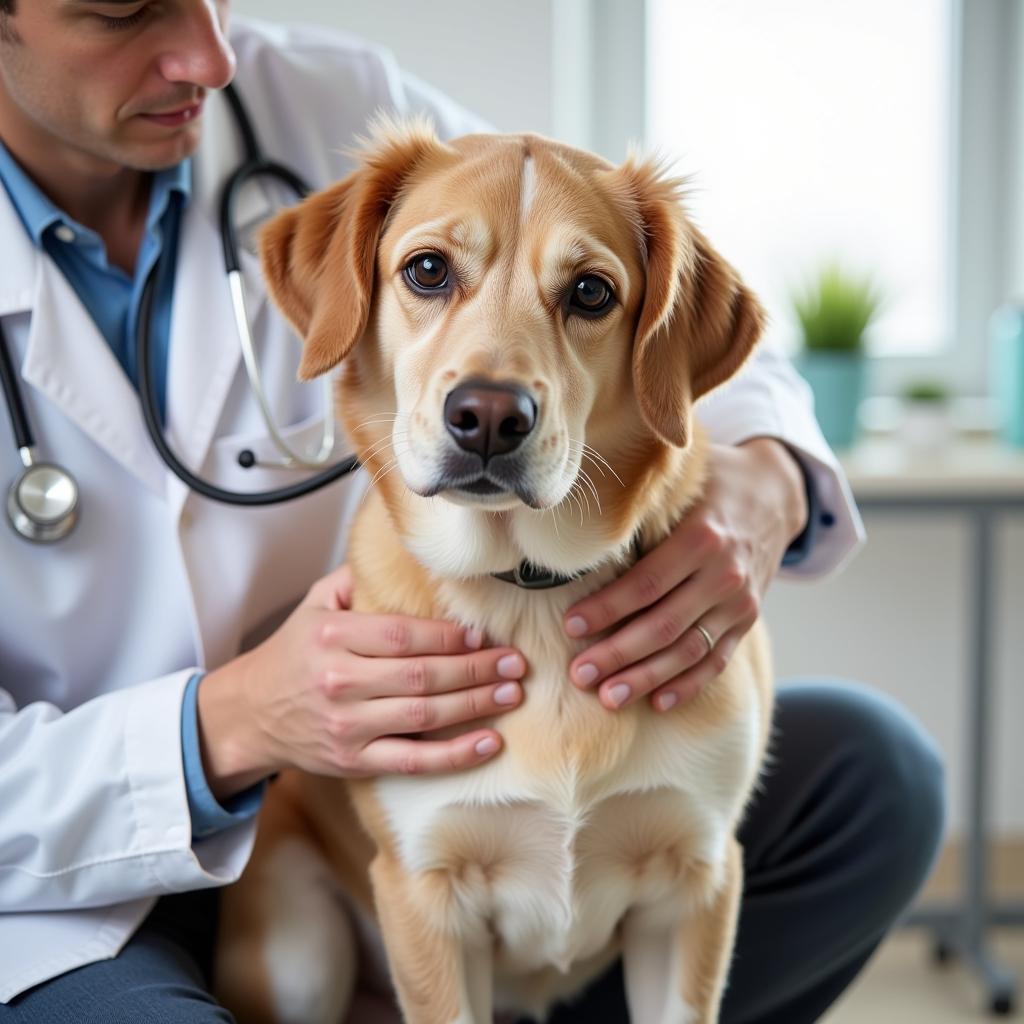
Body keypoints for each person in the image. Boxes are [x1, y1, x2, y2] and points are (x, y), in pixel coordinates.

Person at [0, 3, 944, 1022]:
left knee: (875, 773)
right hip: (71, 899)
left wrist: (764, 478)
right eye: (120, 9)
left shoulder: (333, 107)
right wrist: (226, 725)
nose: (209, 56)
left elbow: (616, 256)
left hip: (488, 770)